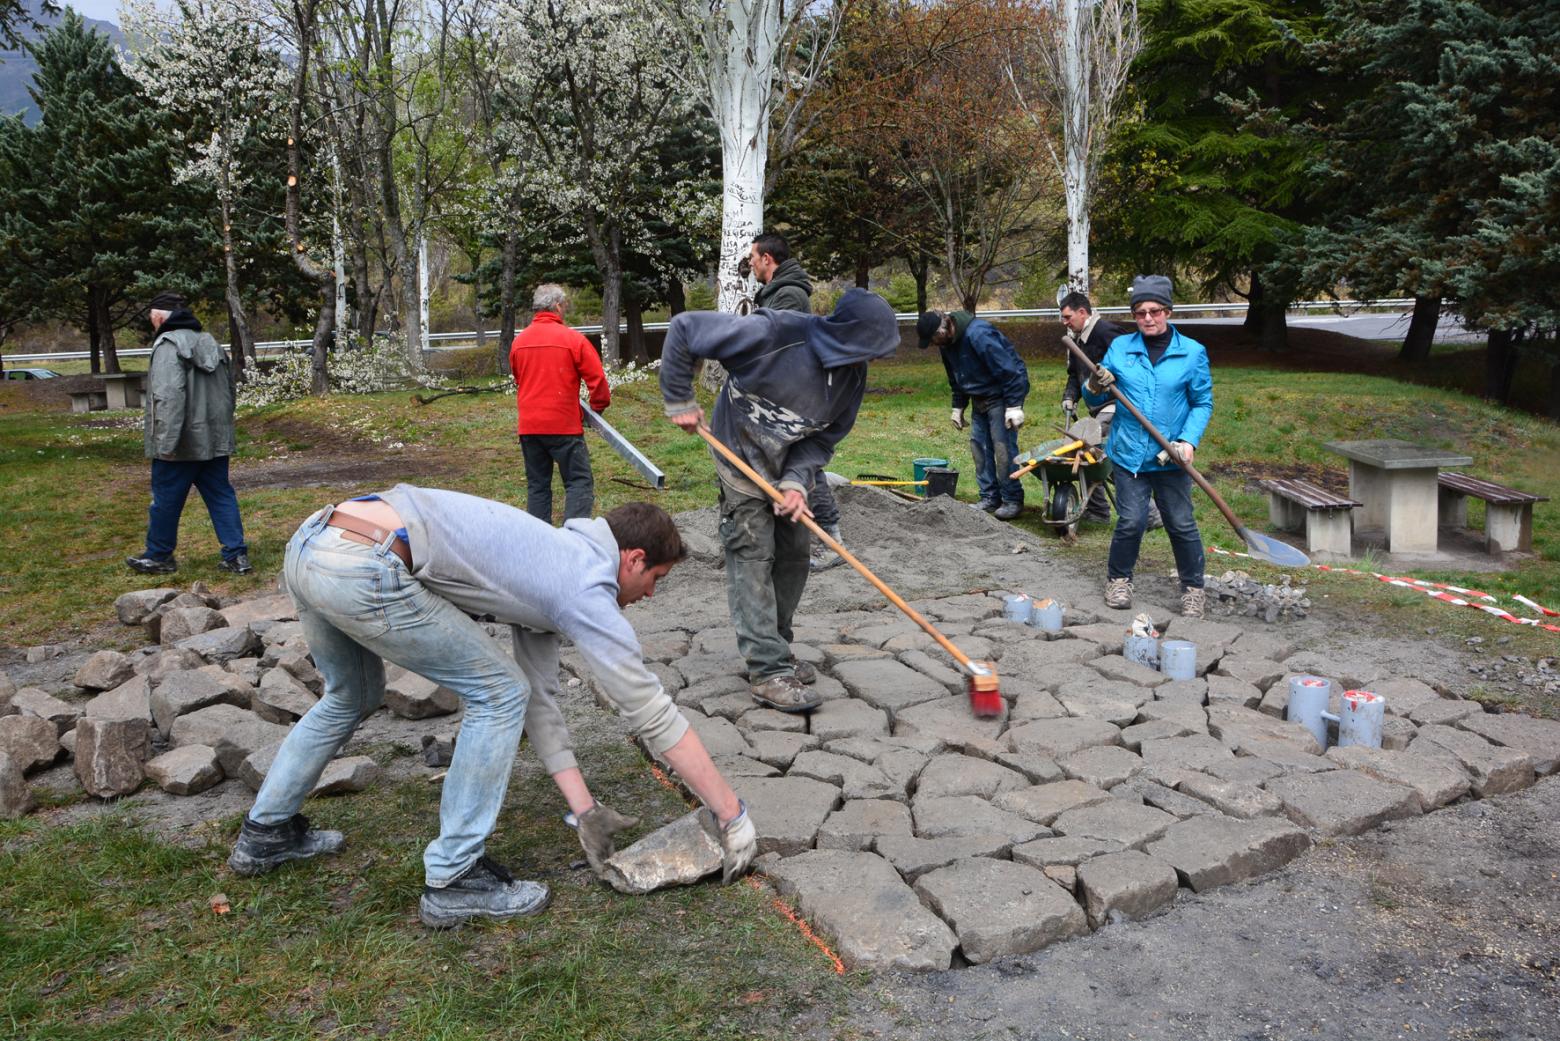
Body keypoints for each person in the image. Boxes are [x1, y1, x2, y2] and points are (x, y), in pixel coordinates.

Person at [227, 491, 756, 928]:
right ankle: (454, 879)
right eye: (656, 579)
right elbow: (651, 712)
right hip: (366, 561)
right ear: (633, 559)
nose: (652, 594)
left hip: (315, 541)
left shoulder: (552, 562)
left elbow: (541, 701)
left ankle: (266, 833)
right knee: (497, 692)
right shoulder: (585, 588)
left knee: (353, 694)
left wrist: (586, 809)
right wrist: (731, 815)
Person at [660, 289, 899, 713]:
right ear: (846, 335)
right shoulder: (775, 332)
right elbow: (685, 329)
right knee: (752, 554)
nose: (871, 360)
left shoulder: (852, 379)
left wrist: (795, 483)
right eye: (868, 349)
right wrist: (679, 397)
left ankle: (778, 647)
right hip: (739, 458)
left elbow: (822, 440)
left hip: (786, 467)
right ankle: (767, 670)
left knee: (794, 555)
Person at [1081, 275, 1213, 618]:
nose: (1148, 318)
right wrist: (1095, 382)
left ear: (1168, 312)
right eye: (1140, 312)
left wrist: (1188, 441)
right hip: (1129, 454)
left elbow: (1202, 403)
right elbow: (1092, 394)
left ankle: (1193, 589)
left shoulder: (1192, 352)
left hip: (1171, 457)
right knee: (1131, 521)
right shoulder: (1122, 349)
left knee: (1181, 524)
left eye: (1155, 311)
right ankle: (1119, 579)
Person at [127, 291, 252, 576]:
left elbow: (169, 397)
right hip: (214, 441)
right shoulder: (211, 343)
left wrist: (166, 443)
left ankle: (159, 556)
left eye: (151, 319)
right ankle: (237, 556)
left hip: (181, 444)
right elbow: (229, 393)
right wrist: (223, 433)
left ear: (159, 317)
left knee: (165, 502)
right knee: (221, 496)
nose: (151, 324)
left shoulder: (167, 345)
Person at [745, 233, 843, 572]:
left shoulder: (788, 295)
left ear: (768, 259)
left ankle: (831, 541)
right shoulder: (777, 292)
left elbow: (776, 342)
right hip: (779, 391)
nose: (751, 264)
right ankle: (786, 535)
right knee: (784, 462)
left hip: (794, 394)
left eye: (753, 258)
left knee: (804, 463)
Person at [509, 284, 611, 523]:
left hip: (529, 428)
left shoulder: (519, 342)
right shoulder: (573, 339)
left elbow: (518, 378)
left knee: (537, 486)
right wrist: (596, 409)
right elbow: (598, 382)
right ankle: (575, 538)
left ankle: (539, 540)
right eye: (564, 306)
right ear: (556, 306)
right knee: (578, 481)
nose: (565, 310)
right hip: (564, 426)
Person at [916, 308, 1031, 520]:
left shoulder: (979, 334)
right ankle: (989, 497)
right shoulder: (946, 344)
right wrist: (958, 407)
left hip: (1000, 397)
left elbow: (1010, 370)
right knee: (979, 449)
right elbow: (956, 377)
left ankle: (1011, 499)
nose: (934, 344)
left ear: (944, 328)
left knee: (1002, 449)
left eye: (933, 339)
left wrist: (1014, 406)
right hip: (978, 398)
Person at [1059, 291, 1128, 523]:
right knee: (1083, 451)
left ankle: (1139, 508)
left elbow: (1132, 364)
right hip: (1097, 408)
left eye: (1068, 317)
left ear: (1082, 312)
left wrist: (1114, 374)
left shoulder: (1106, 332)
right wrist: (1070, 396)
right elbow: (1073, 374)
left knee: (1093, 452)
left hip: (1116, 406)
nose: (1065, 322)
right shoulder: (1077, 339)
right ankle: (1098, 510)